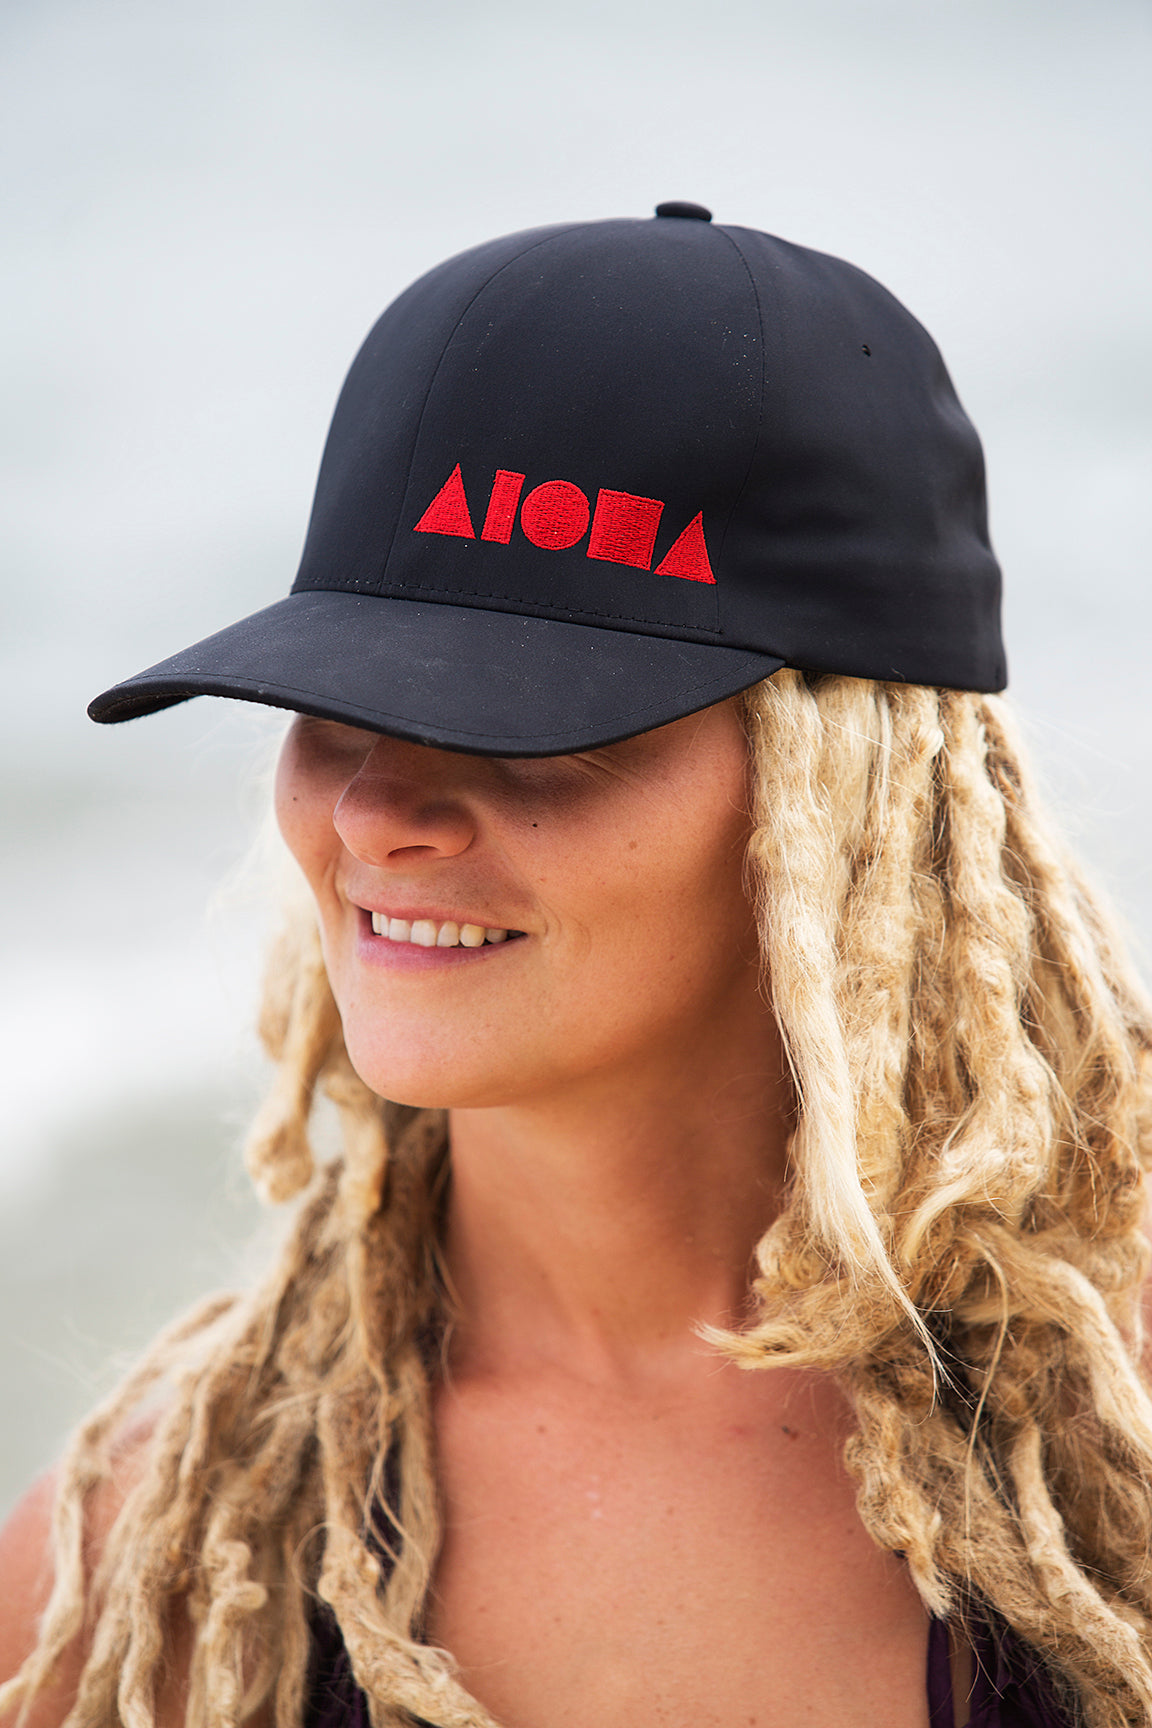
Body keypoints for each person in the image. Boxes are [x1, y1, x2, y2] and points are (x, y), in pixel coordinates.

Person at [2, 202, 1150, 1728]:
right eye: (338, 697)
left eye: (523, 716)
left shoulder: (1110, 1469)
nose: (374, 812)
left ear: (846, 798)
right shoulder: (145, 1557)